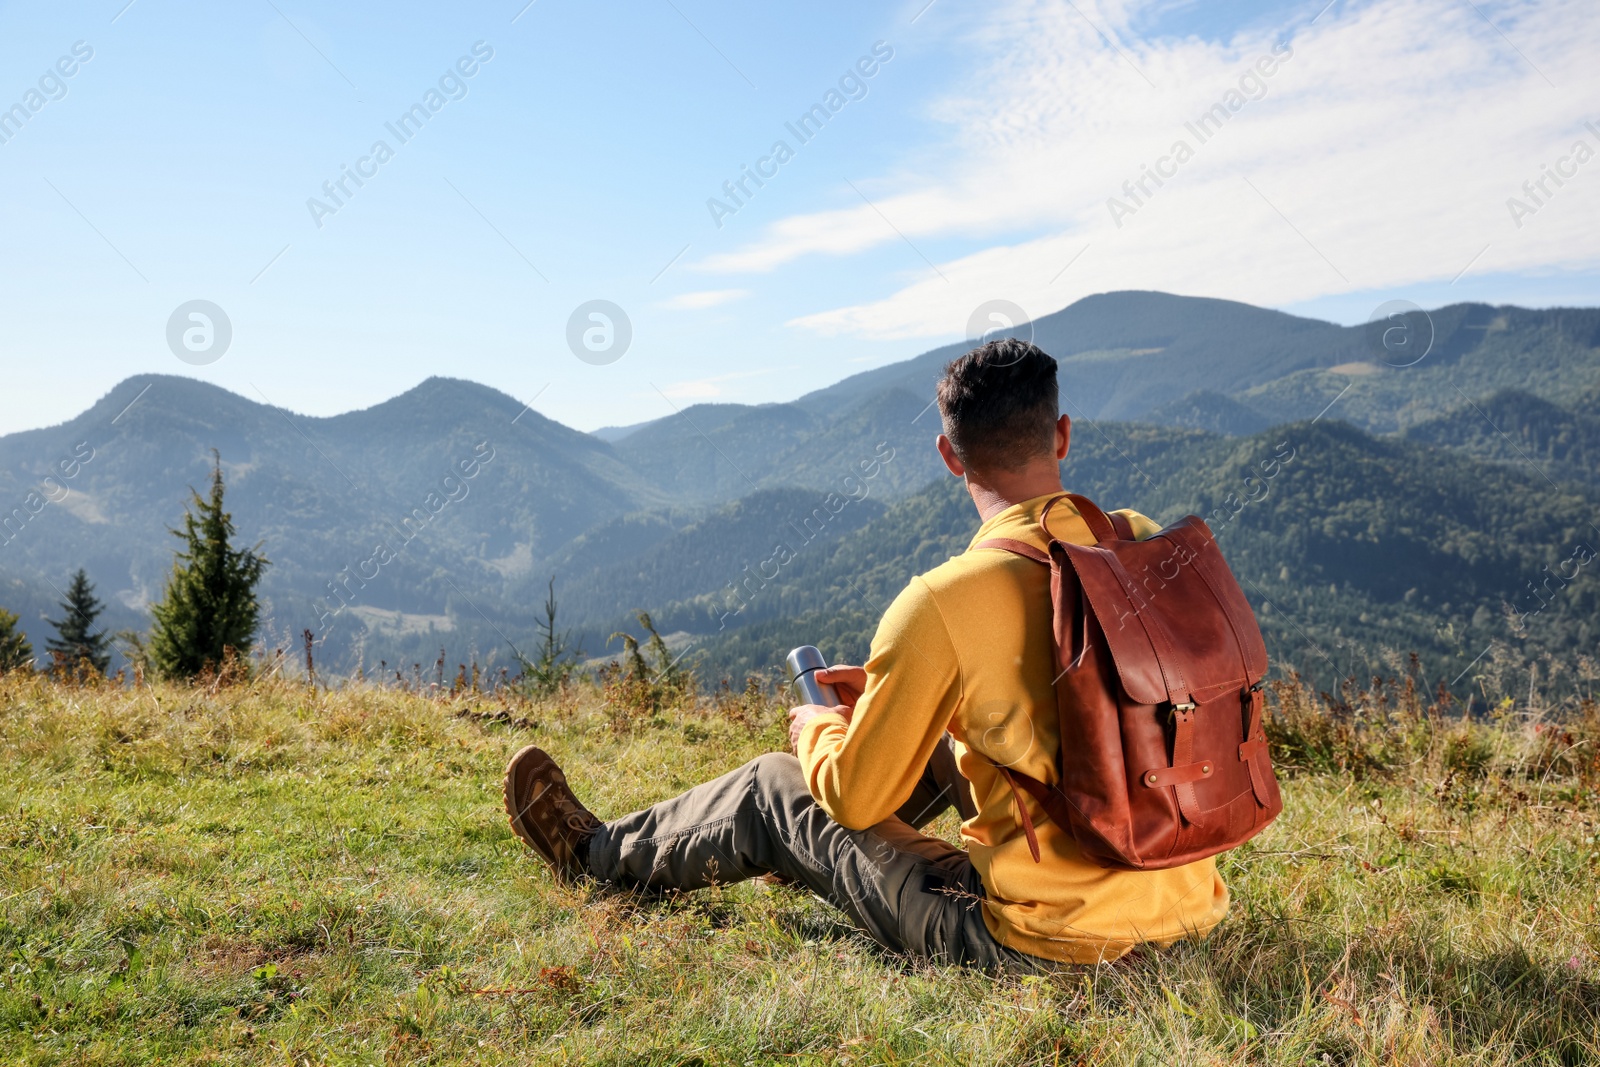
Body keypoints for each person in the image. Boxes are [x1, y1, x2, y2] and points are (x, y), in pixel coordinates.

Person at [502, 338, 1229, 970]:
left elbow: (852, 794)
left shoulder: (943, 602)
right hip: (1186, 912)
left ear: (949, 455)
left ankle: (592, 857)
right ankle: (811, 854)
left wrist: (820, 729)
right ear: (1063, 434)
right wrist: (902, 694)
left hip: (1041, 944)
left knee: (773, 786)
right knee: (945, 746)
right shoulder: (1137, 541)